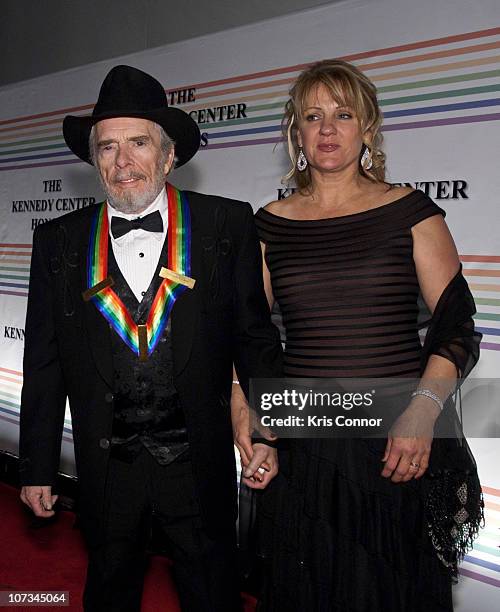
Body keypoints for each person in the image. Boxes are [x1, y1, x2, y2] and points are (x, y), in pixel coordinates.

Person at [18, 64, 282, 612]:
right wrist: (38, 466)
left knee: (212, 596)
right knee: (109, 593)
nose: (123, 162)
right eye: (108, 147)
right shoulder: (58, 242)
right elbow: (44, 364)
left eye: (138, 143)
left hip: (198, 462)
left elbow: (254, 340)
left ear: (168, 155)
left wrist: (268, 431)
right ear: (94, 161)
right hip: (106, 469)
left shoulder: (225, 225)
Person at [232, 59, 483, 611]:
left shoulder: (412, 213)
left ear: (367, 128)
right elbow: (247, 340)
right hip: (304, 443)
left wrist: (420, 414)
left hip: (395, 439)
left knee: (389, 592)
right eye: (312, 116)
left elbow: (456, 328)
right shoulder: (268, 224)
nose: (327, 130)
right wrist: (255, 429)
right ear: (295, 132)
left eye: (343, 115)